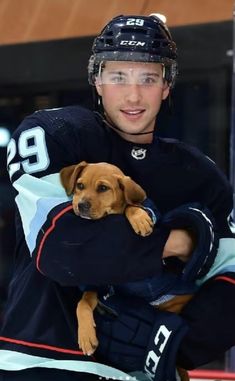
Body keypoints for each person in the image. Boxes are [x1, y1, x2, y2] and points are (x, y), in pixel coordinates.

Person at [0, 13, 235, 381]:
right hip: (44, 363)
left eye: (148, 78)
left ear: (167, 86)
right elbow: (62, 249)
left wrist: (175, 344)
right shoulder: (59, 134)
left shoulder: (200, 174)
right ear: (96, 80)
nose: (133, 95)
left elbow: (231, 277)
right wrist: (179, 241)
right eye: (118, 76)